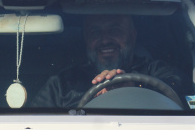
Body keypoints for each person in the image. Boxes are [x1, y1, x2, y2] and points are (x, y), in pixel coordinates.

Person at [31, 14, 181, 108]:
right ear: (86, 39)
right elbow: (33, 126)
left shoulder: (154, 71)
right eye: (95, 32)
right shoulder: (62, 84)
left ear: (132, 36)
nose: (105, 40)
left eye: (115, 30)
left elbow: (184, 93)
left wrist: (136, 86)